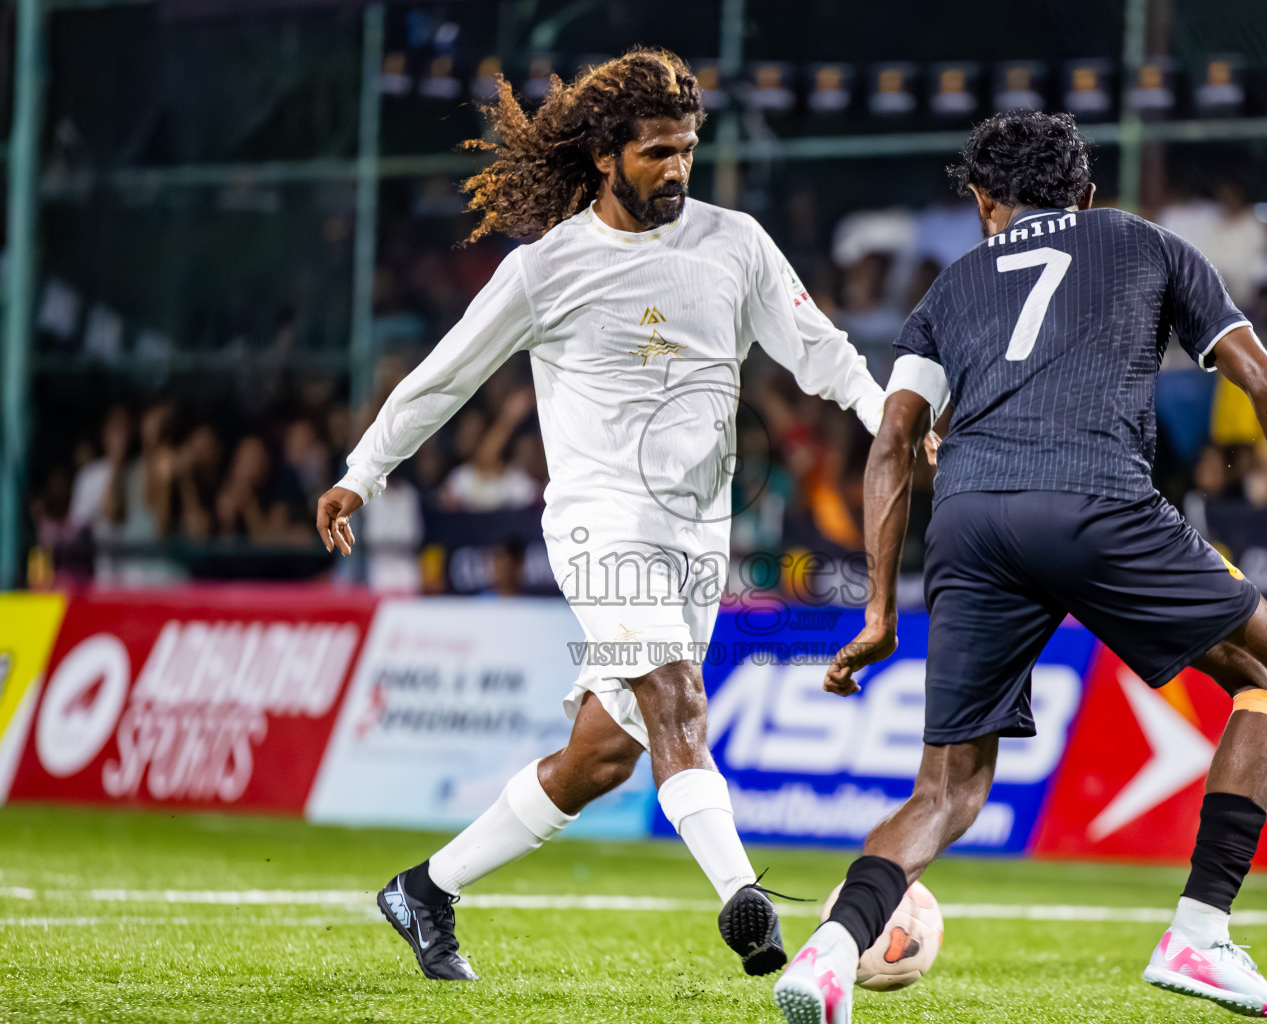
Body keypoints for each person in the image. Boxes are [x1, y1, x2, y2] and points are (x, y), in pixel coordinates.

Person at [773, 111, 1267, 1024]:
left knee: (944, 789)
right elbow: (1266, 384)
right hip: (1092, 498)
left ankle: (828, 954)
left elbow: (893, 445)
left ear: (984, 204)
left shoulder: (950, 286)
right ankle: (1200, 936)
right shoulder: (1144, 242)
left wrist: (879, 609)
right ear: (1088, 194)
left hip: (970, 523)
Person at [313, 48, 885, 984]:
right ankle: (744, 901)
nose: (677, 168)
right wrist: (364, 471)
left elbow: (819, 351)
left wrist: (883, 416)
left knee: (606, 756)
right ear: (605, 157)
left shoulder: (734, 243)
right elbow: (445, 379)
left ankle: (426, 889)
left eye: (687, 150)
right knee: (676, 700)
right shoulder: (548, 270)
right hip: (597, 523)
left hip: (700, 536)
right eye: (658, 152)